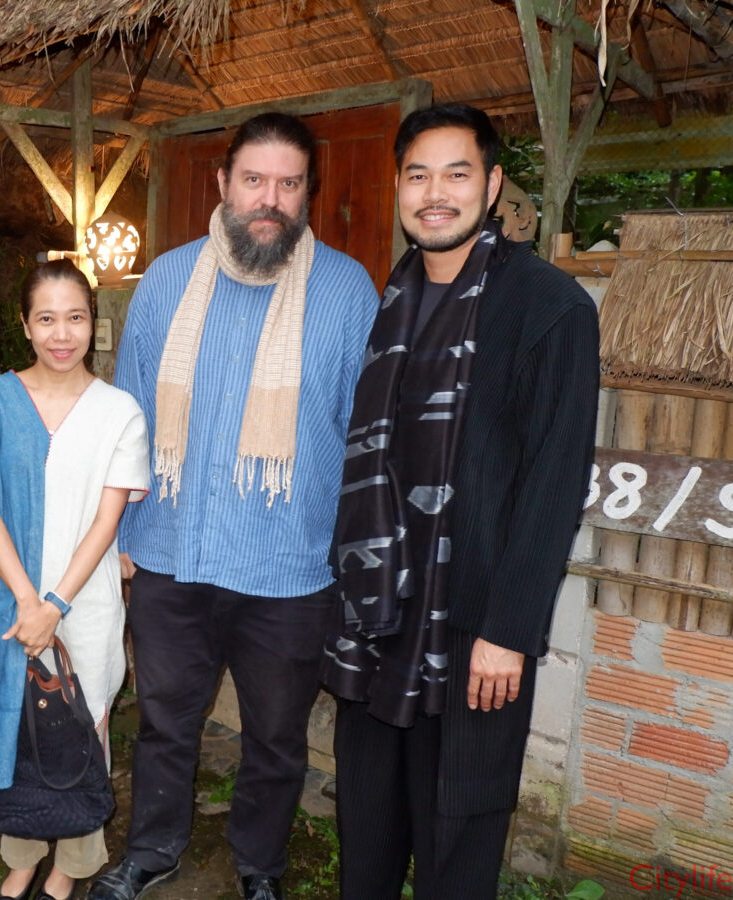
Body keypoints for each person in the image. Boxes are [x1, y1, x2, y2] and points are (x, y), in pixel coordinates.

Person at [89, 113, 378, 900]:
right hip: (171, 552)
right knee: (165, 725)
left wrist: (347, 557)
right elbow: (129, 414)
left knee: (277, 738)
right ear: (224, 183)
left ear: (307, 193)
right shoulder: (167, 279)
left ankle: (259, 866)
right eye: (254, 180)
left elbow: (363, 435)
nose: (269, 200)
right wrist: (118, 535)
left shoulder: (347, 291)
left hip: (289, 566)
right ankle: (153, 849)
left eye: (288, 184)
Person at [321, 104, 599, 899]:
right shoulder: (394, 296)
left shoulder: (549, 306)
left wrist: (509, 631)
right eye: (418, 175)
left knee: (458, 847)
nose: (435, 194)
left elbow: (554, 482)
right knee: (366, 838)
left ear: (493, 184)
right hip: (378, 616)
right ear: (399, 187)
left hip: (474, 626)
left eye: (457, 173)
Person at [0, 260, 149, 900]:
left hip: (85, 603)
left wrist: (54, 604)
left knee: (82, 727)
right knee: (14, 727)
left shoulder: (119, 411)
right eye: (47, 319)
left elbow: (108, 520)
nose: (63, 334)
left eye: (76, 317)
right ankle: (23, 857)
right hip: (9, 600)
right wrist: (28, 603)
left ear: (94, 322)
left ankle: (69, 868)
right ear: (26, 325)